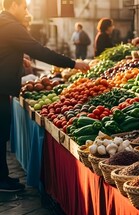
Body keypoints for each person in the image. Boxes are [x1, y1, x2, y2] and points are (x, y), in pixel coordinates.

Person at [0, 0, 89, 192]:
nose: (26, 11)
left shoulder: (3, 21)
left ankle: (3, 176)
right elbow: (39, 50)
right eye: (24, 7)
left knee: (1, 131)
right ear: (14, 4)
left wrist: (16, 57)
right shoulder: (11, 25)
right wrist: (73, 64)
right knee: (0, 133)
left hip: (2, 88)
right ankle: (1, 181)